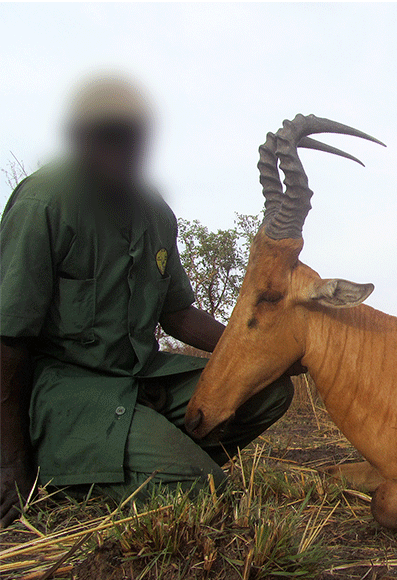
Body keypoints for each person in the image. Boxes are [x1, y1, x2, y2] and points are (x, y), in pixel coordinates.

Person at [0, 76, 294, 527]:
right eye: (106, 137)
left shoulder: (155, 212)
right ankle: (66, 465)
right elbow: (8, 340)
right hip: (65, 394)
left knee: (268, 389)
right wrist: (10, 462)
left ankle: (133, 451)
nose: (121, 151)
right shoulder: (43, 203)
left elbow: (177, 314)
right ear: (81, 138)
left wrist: (274, 350)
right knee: (204, 492)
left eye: (132, 138)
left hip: (138, 381)